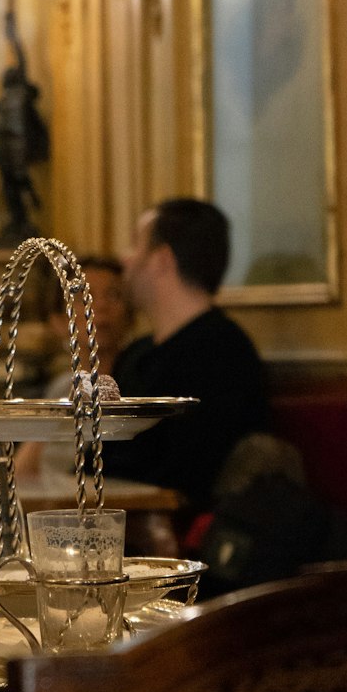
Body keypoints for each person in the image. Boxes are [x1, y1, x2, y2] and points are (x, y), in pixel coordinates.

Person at [100, 198, 270, 510]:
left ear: (162, 259)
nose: (125, 260)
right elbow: (97, 457)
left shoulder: (222, 353)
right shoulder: (137, 353)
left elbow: (185, 480)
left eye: (136, 246)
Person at [15, 257, 134, 479]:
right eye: (83, 297)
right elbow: (21, 474)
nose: (101, 306)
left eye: (114, 295)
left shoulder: (138, 380)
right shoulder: (62, 387)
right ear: (58, 321)